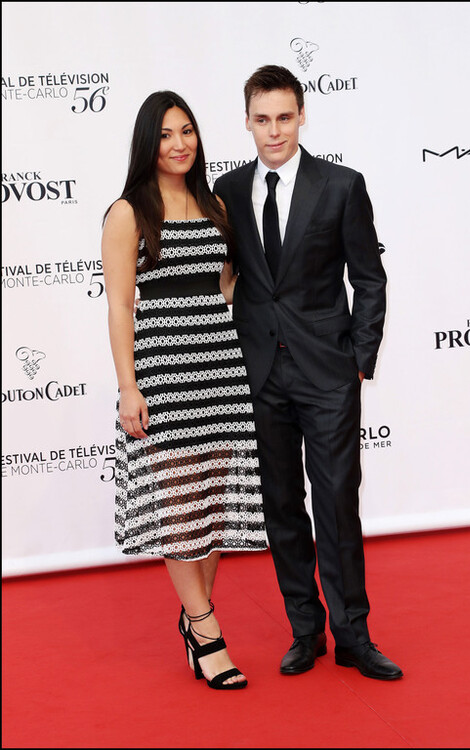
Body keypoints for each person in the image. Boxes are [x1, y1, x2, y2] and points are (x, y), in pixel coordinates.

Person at [214, 65, 403, 680]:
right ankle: (306, 630)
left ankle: (353, 634)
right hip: (261, 372)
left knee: (337, 505)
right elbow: (234, 278)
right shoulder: (229, 189)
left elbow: (368, 279)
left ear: (302, 116)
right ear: (247, 121)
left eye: (285, 117)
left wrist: (358, 361)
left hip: (327, 375)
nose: (274, 131)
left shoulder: (342, 186)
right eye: (262, 119)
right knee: (281, 506)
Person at [101, 90, 267, 691]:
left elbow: (226, 286)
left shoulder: (215, 201)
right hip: (163, 375)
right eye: (167, 134)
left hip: (220, 369)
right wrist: (128, 387)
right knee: (179, 509)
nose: (179, 144)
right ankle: (206, 630)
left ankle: (194, 619)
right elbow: (121, 305)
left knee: (212, 508)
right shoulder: (127, 212)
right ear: (149, 142)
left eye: (187, 131)